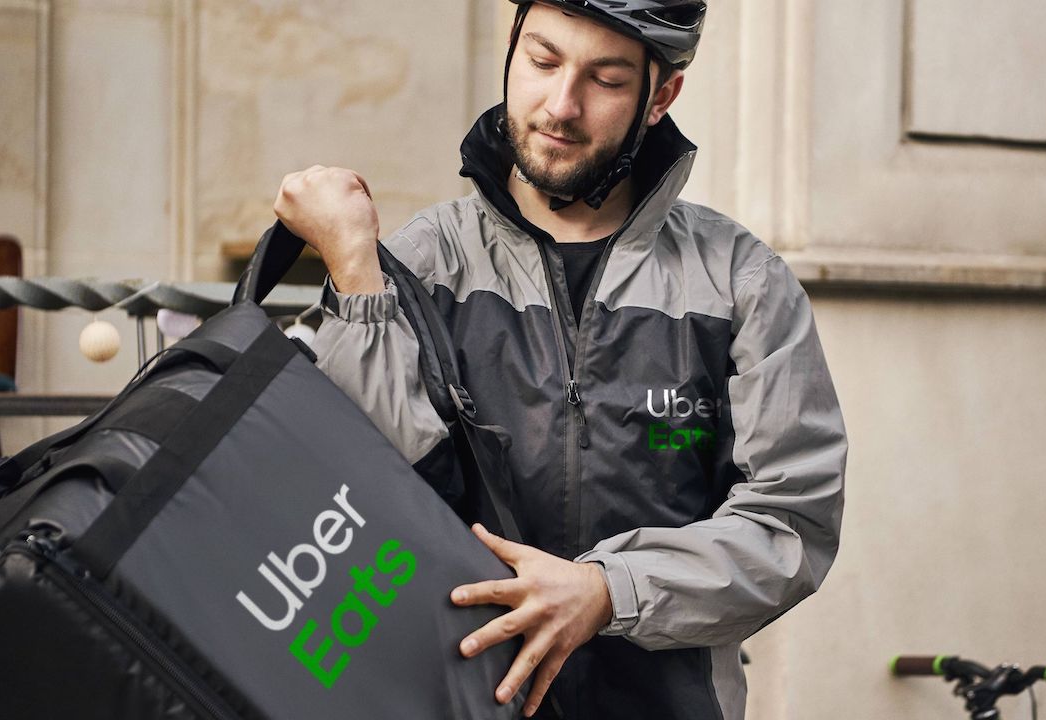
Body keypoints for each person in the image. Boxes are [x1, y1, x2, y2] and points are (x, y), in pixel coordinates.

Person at [272, 1, 846, 718]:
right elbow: (363, 498)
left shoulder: (740, 282)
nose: (561, 105)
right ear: (511, 50)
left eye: (605, 80)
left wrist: (610, 590)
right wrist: (355, 274)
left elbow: (791, 523)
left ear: (659, 97)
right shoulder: (420, 266)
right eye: (542, 62)